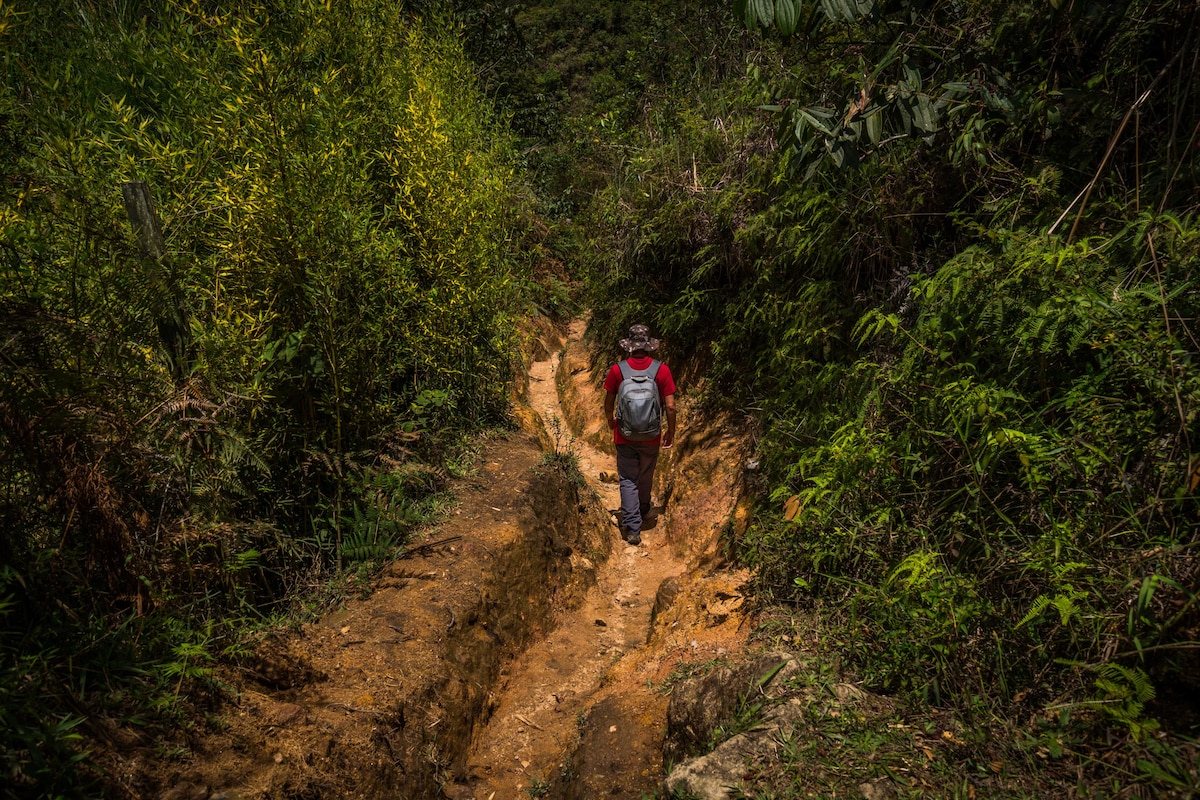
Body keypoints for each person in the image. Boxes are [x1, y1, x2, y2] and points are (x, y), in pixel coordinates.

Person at [603, 324, 677, 546]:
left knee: (627, 478)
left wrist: (610, 421)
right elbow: (670, 406)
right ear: (648, 346)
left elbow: (608, 402)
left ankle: (633, 527)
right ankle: (643, 508)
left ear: (630, 346)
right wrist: (670, 431)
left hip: (624, 435)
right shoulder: (661, 370)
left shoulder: (618, 370)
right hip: (651, 435)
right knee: (645, 474)